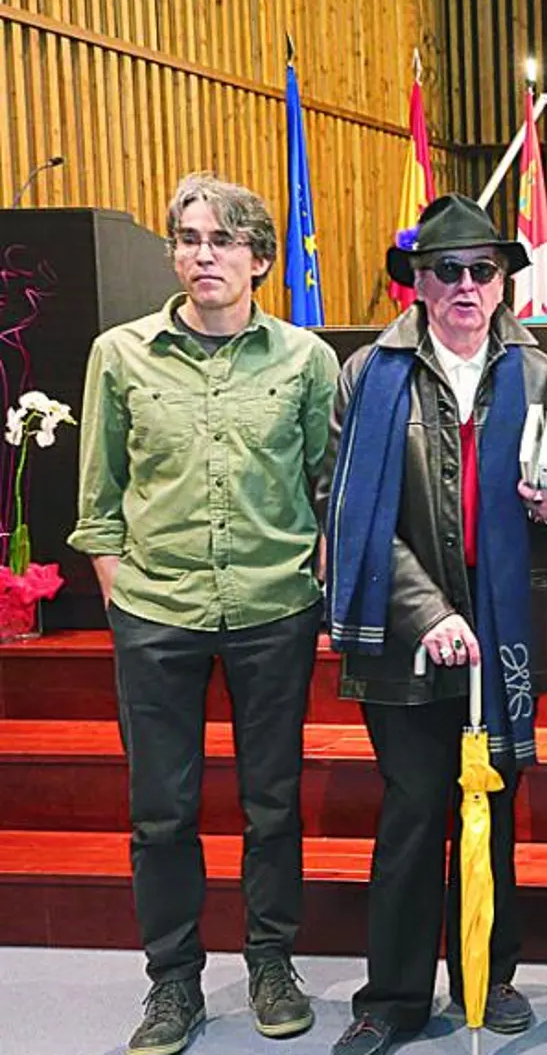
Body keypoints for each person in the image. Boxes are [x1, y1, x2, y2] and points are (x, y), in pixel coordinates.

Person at [323, 194, 547, 1055]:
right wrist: (426, 612)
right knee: (415, 808)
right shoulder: (370, 375)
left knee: (498, 802)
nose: (465, 286)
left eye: (482, 270)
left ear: (502, 283)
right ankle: (394, 996)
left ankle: (491, 972)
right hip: (405, 630)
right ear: (417, 283)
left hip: (508, 630)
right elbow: (347, 513)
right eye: (445, 270)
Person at [70, 172, 336, 1055]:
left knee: (272, 803)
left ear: (260, 257)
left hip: (274, 606)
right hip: (156, 611)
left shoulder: (306, 360)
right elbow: (99, 499)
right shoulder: (121, 353)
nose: (202, 255)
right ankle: (173, 983)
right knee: (162, 811)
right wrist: (122, 598)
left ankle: (271, 962)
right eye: (188, 238)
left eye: (222, 240)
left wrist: (320, 584)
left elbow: (328, 491)